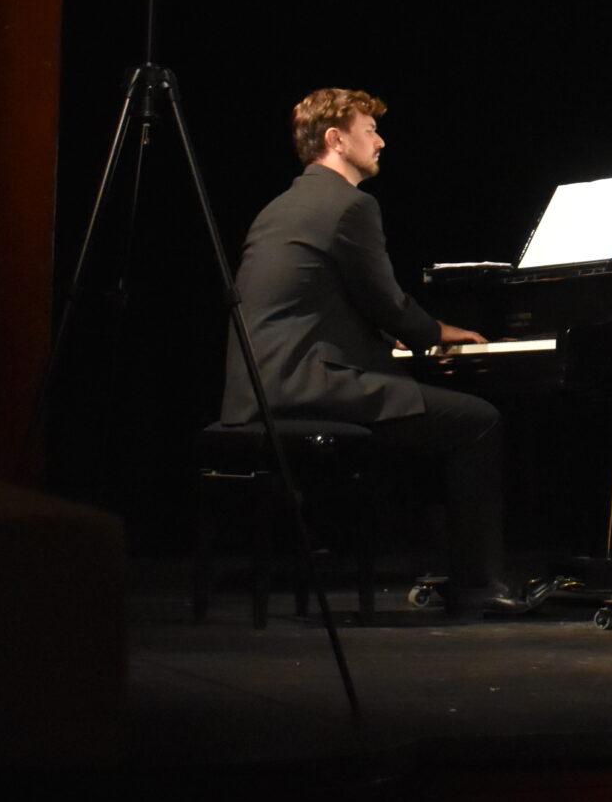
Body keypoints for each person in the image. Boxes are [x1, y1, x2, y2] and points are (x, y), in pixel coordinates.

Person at [223, 88, 523, 613]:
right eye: (370, 130)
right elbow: (387, 302)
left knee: (427, 409)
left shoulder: (279, 207)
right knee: (479, 421)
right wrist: (435, 331)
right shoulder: (351, 205)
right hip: (309, 384)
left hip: (260, 385)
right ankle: (477, 584)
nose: (381, 141)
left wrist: (396, 337)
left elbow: (318, 306)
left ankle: (443, 565)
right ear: (336, 140)